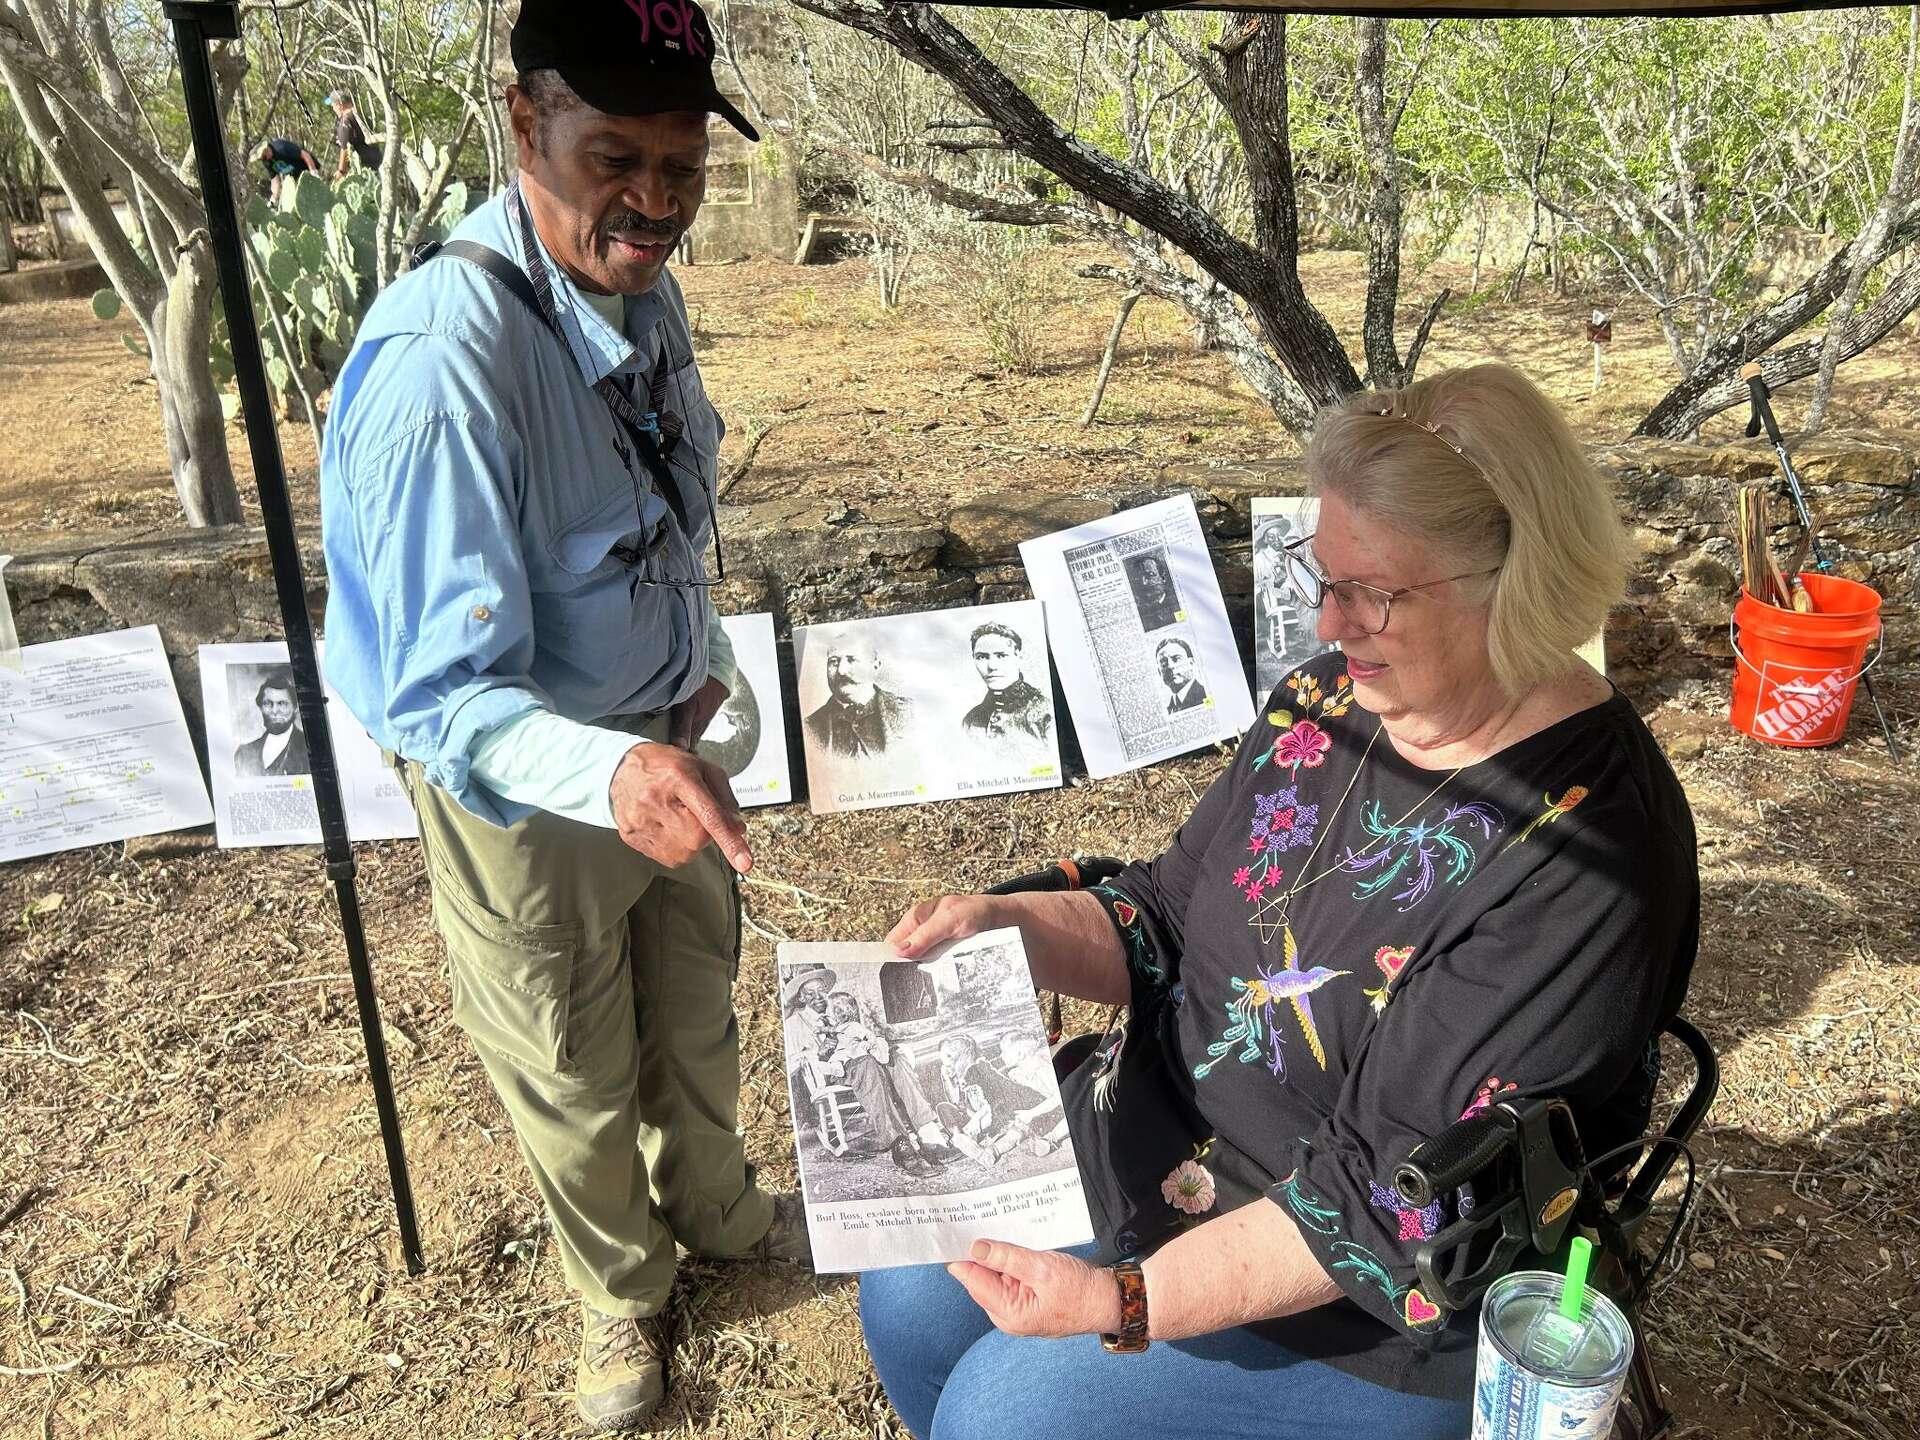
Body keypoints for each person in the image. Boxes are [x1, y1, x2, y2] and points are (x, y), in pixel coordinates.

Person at [862, 362, 1698, 1440]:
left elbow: (1387, 1200)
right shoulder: (1328, 702)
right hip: (1175, 1146)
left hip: (1375, 1296)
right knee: (911, 1293)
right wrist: (1008, 930)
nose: (1331, 621)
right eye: (1324, 573)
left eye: (1374, 593)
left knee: (1006, 1411)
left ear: (1516, 583)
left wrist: (1123, 1305)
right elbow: (1168, 916)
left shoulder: (1587, 855)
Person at [318, 3, 799, 1432]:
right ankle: (619, 1290)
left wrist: (696, 662)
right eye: (616, 160)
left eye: (683, 166)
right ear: (525, 125)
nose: (656, 203)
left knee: (693, 1001)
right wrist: (610, 767)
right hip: (528, 789)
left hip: (666, 747)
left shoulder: (635, 285)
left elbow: (659, 508)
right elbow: (437, 694)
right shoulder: (441, 367)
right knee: (568, 1058)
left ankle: (716, 1206)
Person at [805, 630, 914, 758]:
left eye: (852, 660)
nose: (841, 671)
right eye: (834, 662)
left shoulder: (908, 713)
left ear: (875, 666)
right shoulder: (808, 728)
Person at [959, 621, 1052, 761]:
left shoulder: (1045, 710)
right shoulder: (971, 720)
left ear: (1019, 657)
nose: (991, 666)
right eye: (982, 657)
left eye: (1001, 656)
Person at [233, 668, 310, 777]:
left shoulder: (309, 749)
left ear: (295, 708)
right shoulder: (244, 754)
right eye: (268, 704)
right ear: (260, 707)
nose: (274, 711)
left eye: (282, 704)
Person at [327, 91, 382, 179]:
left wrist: (341, 171)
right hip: (377, 162)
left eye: (333, 105)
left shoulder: (345, 121)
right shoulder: (363, 116)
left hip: (363, 168)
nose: (333, 108)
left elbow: (345, 148)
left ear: (339, 105)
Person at [1128, 554, 1179, 632]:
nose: (1143, 583)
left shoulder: (1178, 603)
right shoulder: (1137, 612)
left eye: (1150, 575)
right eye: (1137, 578)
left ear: (1163, 578)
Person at [1156, 637, 1208, 713]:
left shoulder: (1205, 696)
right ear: (1159, 672)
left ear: (1191, 663)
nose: (1170, 666)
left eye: (1177, 659)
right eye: (1164, 663)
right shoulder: (1169, 710)